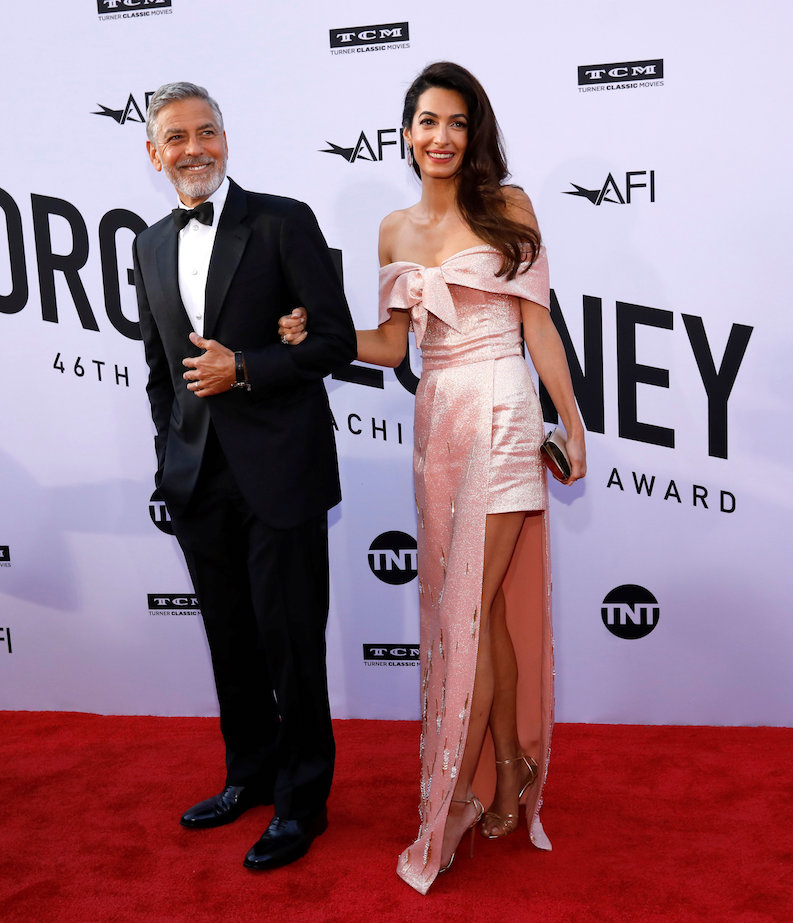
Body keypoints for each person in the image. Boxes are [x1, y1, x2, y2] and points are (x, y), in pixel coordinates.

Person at [281, 61, 586, 894]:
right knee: (476, 610)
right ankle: (513, 767)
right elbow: (388, 349)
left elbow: (540, 329)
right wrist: (320, 333)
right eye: (426, 121)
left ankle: (453, 802)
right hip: (437, 421)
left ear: (472, 131)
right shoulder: (391, 229)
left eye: (456, 122)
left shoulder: (509, 208)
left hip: (503, 408)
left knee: (465, 611)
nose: (440, 136)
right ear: (406, 133)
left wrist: (571, 417)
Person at [133, 81, 357, 872]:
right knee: (231, 642)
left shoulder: (282, 221)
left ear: (226, 139)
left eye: (208, 132)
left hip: (282, 470)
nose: (195, 148)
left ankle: (303, 802)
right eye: (177, 137)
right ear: (153, 153)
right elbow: (160, 367)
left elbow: (332, 341)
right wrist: (170, 459)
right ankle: (250, 775)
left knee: (290, 642)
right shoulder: (149, 246)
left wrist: (248, 369)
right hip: (198, 482)